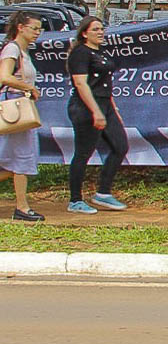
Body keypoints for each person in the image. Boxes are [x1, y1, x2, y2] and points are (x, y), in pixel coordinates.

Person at [66, 14, 129, 213]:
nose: (100, 32)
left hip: (105, 104)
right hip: (85, 107)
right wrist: (96, 112)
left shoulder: (101, 52)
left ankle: (103, 193)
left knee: (120, 146)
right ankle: (75, 200)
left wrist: (113, 108)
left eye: (102, 29)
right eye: (95, 29)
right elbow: (81, 84)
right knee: (83, 153)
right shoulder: (80, 53)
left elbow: (105, 84)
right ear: (84, 33)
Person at [0, 10, 45, 221]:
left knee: (18, 159)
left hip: (19, 108)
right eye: (34, 28)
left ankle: (22, 206)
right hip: (15, 110)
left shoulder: (22, 51)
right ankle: (22, 207)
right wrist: (28, 87)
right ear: (20, 28)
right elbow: (4, 76)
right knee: (21, 158)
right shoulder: (13, 49)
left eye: (39, 29)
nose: (37, 33)